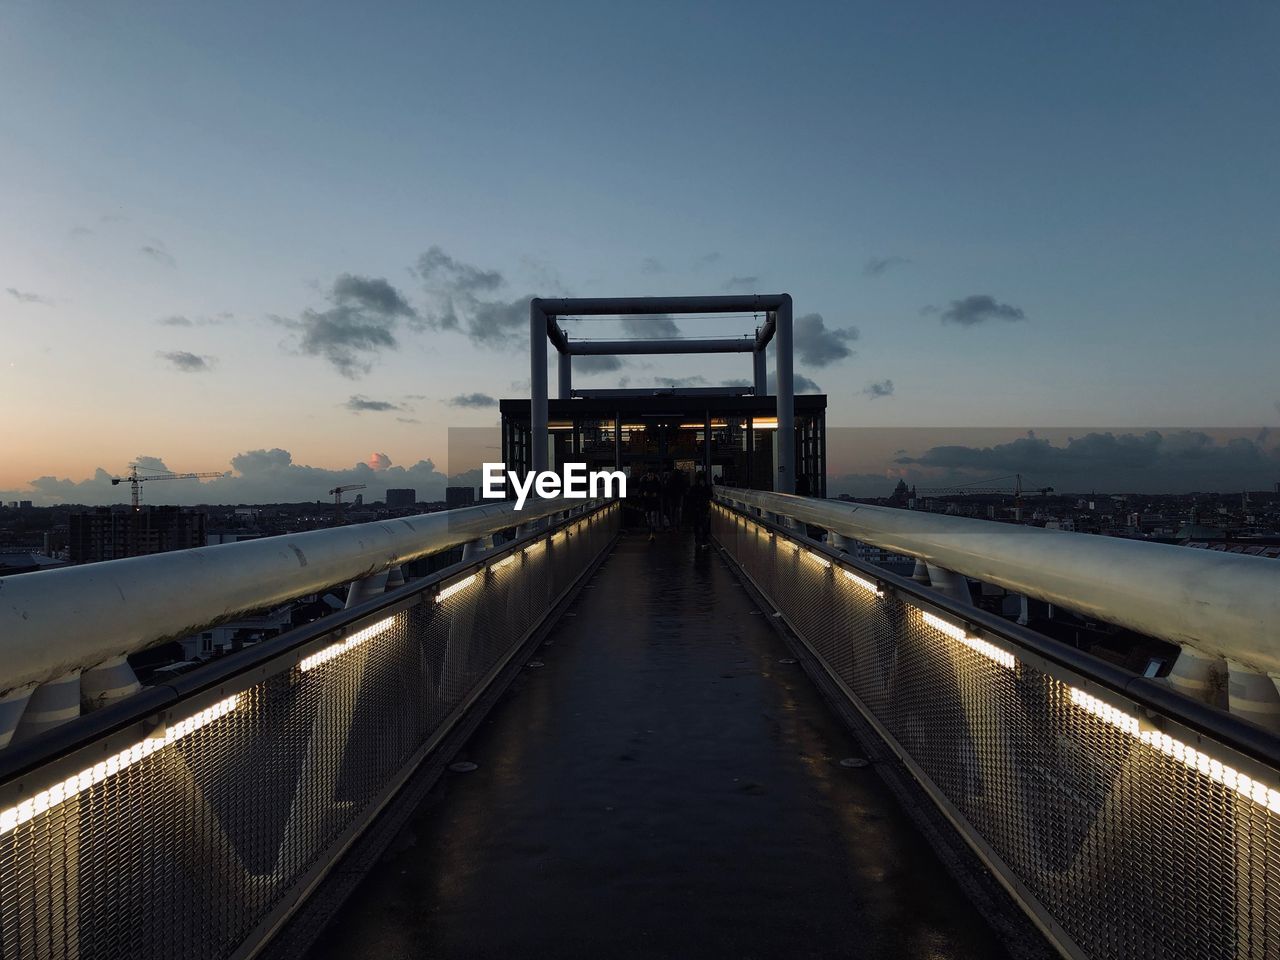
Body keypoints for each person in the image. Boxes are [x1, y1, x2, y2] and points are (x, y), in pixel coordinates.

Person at [637, 466, 662, 541]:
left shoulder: (644, 482)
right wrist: (656, 494)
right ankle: (652, 531)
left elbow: (639, 492)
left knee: (651, 517)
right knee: (649, 517)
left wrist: (643, 495)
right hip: (650, 502)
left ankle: (651, 532)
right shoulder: (656, 482)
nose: (650, 476)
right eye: (649, 475)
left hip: (648, 502)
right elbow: (661, 491)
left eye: (651, 475)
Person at [689, 471, 712, 548]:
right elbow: (710, 496)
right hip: (704, 508)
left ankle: (698, 540)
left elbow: (691, 499)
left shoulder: (693, 488)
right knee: (704, 525)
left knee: (697, 525)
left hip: (696, 509)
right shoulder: (707, 488)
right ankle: (704, 540)